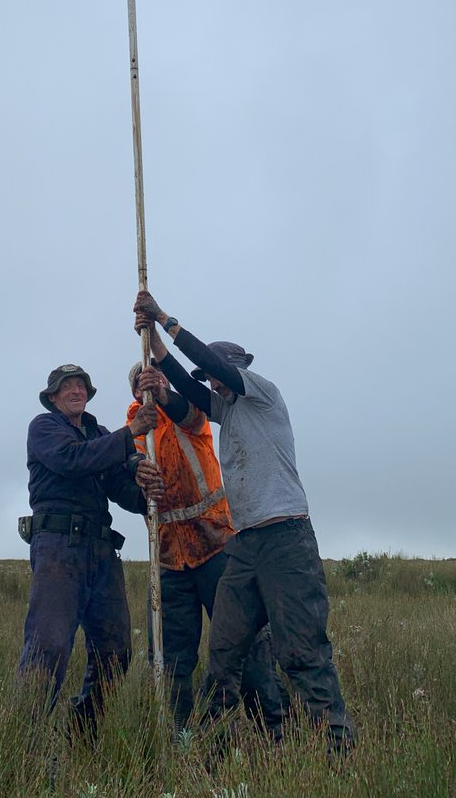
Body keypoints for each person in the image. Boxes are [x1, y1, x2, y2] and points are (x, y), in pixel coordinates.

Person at [133, 294, 357, 751]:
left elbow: (202, 361)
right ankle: (215, 748)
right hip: (244, 544)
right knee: (224, 653)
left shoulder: (260, 393)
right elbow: (186, 382)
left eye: (216, 376)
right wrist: (152, 341)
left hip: (285, 538)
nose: (211, 386)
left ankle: (337, 751)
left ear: (234, 368)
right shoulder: (227, 409)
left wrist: (166, 320)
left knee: (301, 651)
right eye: (211, 382)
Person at [127, 361, 288, 738]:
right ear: (133, 391)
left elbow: (191, 417)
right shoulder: (134, 432)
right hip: (168, 559)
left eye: (155, 377)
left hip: (216, 546)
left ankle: (276, 732)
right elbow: (126, 485)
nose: (148, 384)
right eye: (141, 381)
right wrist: (134, 469)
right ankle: (182, 737)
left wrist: (165, 394)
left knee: (245, 643)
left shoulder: (190, 413)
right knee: (172, 660)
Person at [18, 362, 163, 740]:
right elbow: (73, 461)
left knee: (116, 652)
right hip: (58, 549)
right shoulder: (45, 427)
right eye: (67, 386)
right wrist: (130, 432)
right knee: (48, 646)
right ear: (53, 397)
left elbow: (119, 488)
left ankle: (81, 732)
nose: (76, 390)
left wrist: (144, 488)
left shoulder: (98, 434)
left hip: (101, 550)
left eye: (81, 385)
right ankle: (22, 743)